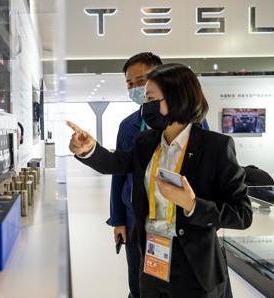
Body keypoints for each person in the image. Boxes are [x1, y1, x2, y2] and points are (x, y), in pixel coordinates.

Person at [67, 63, 252, 298]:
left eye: (151, 98)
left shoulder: (215, 146)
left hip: (194, 265)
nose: (146, 106)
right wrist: (89, 149)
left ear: (177, 98)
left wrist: (192, 205)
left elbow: (243, 214)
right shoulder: (146, 142)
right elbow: (117, 163)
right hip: (153, 256)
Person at [108, 52, 162, 298]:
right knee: (138, 281)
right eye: (130, 84)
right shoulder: (128, 125)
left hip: (170, 218)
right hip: (133, 218)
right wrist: (118, 219)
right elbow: (118, 174)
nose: (136, 88)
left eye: (141, 81)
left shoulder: (190, 121)